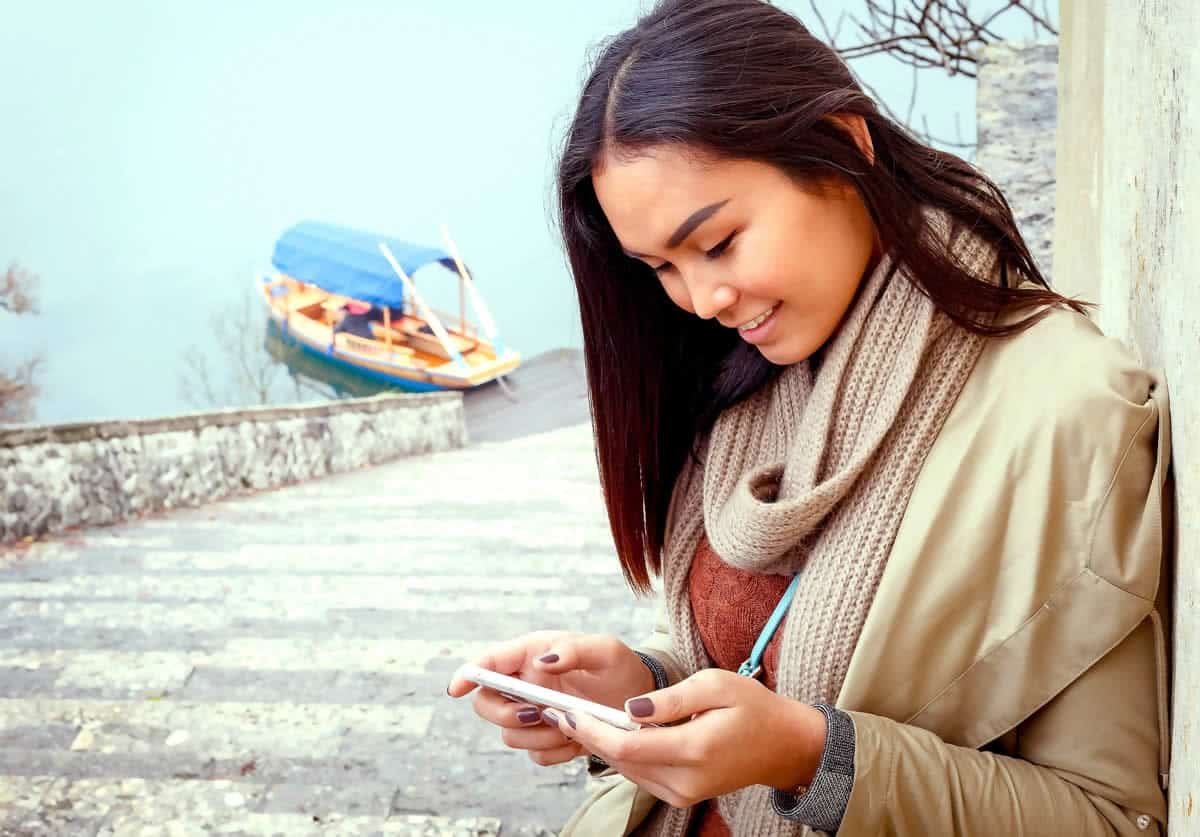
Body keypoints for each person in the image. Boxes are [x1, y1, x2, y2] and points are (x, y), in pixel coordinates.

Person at [446, 1, 1172, 834]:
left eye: (718, 243)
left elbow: (1108, 818)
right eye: (661, 268)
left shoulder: (1068, 412)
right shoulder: (748, 377)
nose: (702, 299)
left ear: (843, 145)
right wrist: (635, 682)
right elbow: (743, 653)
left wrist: (811, 756)